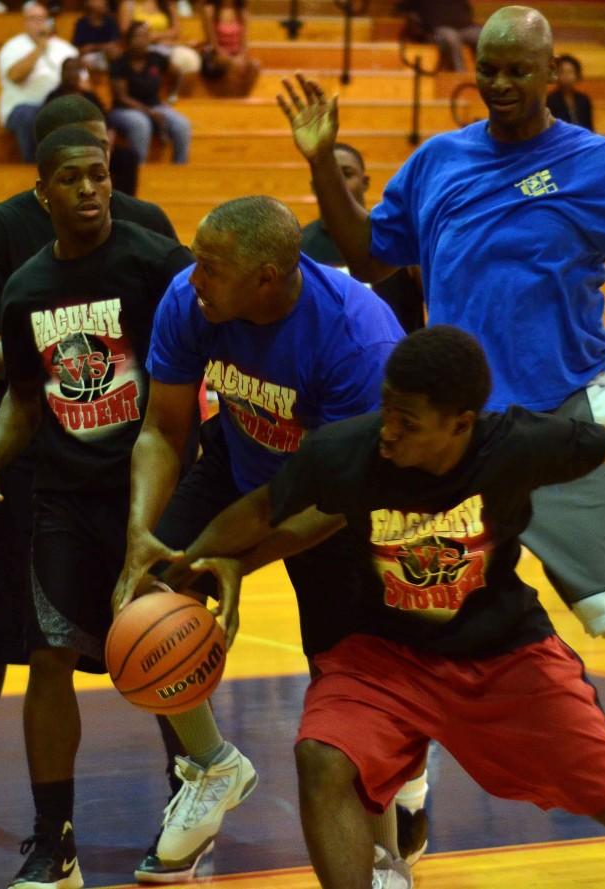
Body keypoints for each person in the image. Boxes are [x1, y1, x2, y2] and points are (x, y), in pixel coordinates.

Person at [276, 4, 605, 869]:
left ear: (550, 73)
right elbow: (371, 254)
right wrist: (320, 165)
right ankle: (409, 795)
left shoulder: (595, 164)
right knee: (424, 613)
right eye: (487, 69)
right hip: (459, 440)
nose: (497, 84)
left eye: (515, 71)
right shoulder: (439, 160)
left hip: (562, 418)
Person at [155, 325, 605, 889]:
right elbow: (267, 510)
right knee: (321, 757)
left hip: (503, 655)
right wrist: (207, 563)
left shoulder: (517, 445)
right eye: (387, 409)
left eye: (408, 420)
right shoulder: (353, 450)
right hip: (385, 656)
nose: (389, 430)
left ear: (462, 423)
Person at [110, 195, 406, 883]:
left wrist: (241, 559)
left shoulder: (357, 338)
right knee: (140, 602)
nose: (195, 277)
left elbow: (335, 500)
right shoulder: (191, 301)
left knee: (350, 680)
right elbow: (162, 429)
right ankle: (214, 765)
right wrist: (139, 536)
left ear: (268, 276)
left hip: (340, 500)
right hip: (237, 467)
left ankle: (386, 854)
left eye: (212, 267)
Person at [0, 95, 179, 848]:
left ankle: (187, 784)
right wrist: (54, 358)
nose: (93, 182)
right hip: (30, 449)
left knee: (156, 622)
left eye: (100, 161)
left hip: (123, 458)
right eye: (73, 165)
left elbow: (180, 335)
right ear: (44, 175)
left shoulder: (146, 234)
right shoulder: (5, 234)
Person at [300, 142, 425, 333]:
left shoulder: (398, 234)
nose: (337, 182)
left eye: (347, 173)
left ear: (365, 182)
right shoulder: (300, 246)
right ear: (315, 186)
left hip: (399, 358)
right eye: (329, 175)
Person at [45, 58, 141, 196]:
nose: (72, 73)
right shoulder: (53, 98)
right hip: (67, 150)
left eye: (76, 70)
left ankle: (123, 201)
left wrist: (107, 144)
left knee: (128, 157)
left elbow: (108, 124)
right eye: (68, 70)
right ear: (62, 73)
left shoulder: (90, 96)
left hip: (96, 148)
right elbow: (47, 130)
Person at [0, 2, 79, 162]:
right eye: (33, 19)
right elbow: (15, 76)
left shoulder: (66, 48)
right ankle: (33, 168)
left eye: (42, 19)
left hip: (57, 105)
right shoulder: (12, 47)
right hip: (21, 107)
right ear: (25, 23)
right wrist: (40, 47)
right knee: (29, 114)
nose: (38, 23)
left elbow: (83, 81)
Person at [109, 21, 193, 164]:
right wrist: (149, 112)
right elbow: (122, 97)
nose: (141, 40)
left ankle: (180, 169)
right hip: (125, 110)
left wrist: (171, 95)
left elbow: (178, 73)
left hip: (155, 105)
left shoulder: (156, 58)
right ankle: (138, 171)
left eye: (145, 36)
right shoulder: (120, 63)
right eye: (137, 36)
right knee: (141, 124)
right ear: (128, 40)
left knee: (182, 124)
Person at [117, 0, 202, 100]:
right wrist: (147, 38)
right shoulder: (128, 4)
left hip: (165, 44)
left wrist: (155, 36)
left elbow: (176, 30)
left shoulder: (166, 3)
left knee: (188, 58)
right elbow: (125, 31)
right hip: (140, 47)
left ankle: (175, 96)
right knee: (153, 59)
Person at [197, 0, 261, 97]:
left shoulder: (242, 13)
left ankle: (242, 98)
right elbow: (213, 45)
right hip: (217, 55)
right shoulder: (210, 11)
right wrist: (230, 59)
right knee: (233, 64)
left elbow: (244, 44)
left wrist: (240, 56)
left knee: (255, 65)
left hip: (237, 55)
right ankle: (230, 99)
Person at [398, 0, 482, 72]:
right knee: (451, 38)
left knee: (483, 35)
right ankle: (460, 76)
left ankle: (486, 77)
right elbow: (405, 9)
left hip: (464, 27)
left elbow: (467, 8)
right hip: (437, 29)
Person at [72, 0, 123, 74]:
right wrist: (101, 47)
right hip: (88, 58)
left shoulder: (111, 22)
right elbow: (79, 50)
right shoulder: (81, 23)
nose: (104, 2)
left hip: (106, 57)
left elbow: (115, 46)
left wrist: (93, 47)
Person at [546, 53, 593, 131]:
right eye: (562, 72)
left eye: (570, 72)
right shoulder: (550, 100)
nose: (567, 76)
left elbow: (589, 127)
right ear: (556, 74)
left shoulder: (584, 100)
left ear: (577, 74)